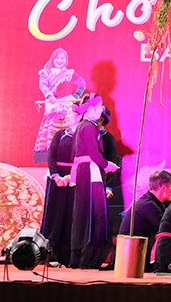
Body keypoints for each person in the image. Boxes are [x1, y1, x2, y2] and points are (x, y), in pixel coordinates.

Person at [69, 94, 119, 269]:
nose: (101, 110)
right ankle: (89, 258)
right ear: (90, 109)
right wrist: (107, 165)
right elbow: (94, 153)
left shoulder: (83, 126)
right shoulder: (89, 127)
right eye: (99, 107)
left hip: (86, 171)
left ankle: (80, 258)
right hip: (90, 172)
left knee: (84, 213)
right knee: (94, 214)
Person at [41, 104, 80, 267]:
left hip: (75, 179)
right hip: (57, 181)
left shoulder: (83, 136)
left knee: (70, 216)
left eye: (71, 113)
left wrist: (70, 177)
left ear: (80, 116)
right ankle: (50, 254)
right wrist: (56, 176)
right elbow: (51, 156)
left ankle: (69, 257)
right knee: (54, 215)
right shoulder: (60, 134)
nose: (67, 116)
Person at [34, 47, 87, 163]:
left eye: (62, 58)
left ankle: (67, 158)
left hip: (65, 108)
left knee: (66, 132)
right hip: (52, 108)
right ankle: (52, 162)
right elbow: (43, 86)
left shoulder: (69, 73)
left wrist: (75, 96)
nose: (59, 61)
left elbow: (82, 84)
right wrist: (49, 96)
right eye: (57, 58)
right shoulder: (45, 73)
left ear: (66, 60)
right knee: (53, 135)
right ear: (53, 59)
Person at [119, 170, 171, 268]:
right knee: (166, 238)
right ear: (163, 187)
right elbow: (165, 229)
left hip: (141, 247)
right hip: (133, 254)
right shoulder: (148, 205)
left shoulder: (153, 201)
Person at [97, 107, 123, 269]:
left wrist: (108, 186)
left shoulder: (107, 138)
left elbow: (113, 164)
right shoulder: (87, 133)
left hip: (101, 182)